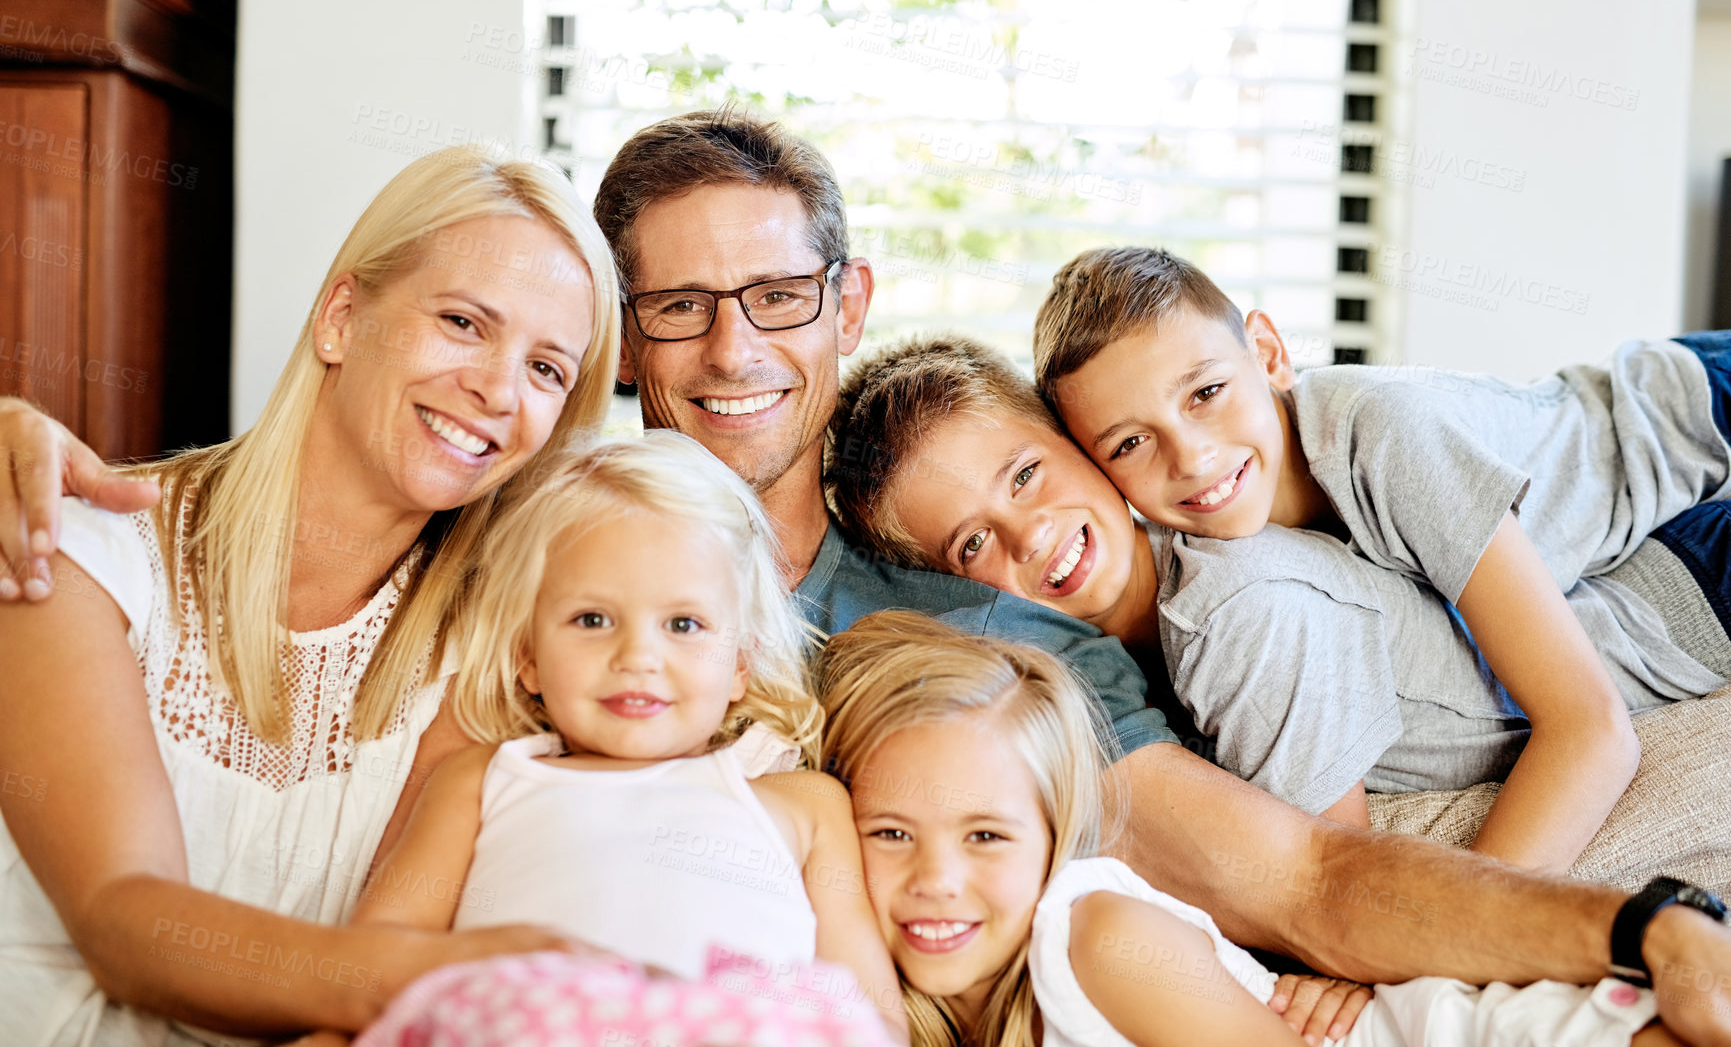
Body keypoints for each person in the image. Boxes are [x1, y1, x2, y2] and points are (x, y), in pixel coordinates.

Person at [6, 109, 1731, 1042]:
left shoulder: (962, 625)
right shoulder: (531, 546)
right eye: (673, 306)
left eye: (775, 296)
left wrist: (1632, 925)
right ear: (626, 348)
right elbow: (279, 506)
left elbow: (1310, 882)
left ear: (849, 301)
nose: (731, 346)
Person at [0, 144, 624, 1044]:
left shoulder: (482, 658)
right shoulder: (80, 553)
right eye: (461, 321)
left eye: (546, 370)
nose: (496, 389)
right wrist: (458, 979)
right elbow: (122, 921)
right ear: (340, 317)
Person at [823, 333, 1731, 844]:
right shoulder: (1110, 690)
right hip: (1652, 573)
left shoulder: (1234, 594)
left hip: (1671, 461)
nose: (1029, 534)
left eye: (1024, 474)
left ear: (1080, 440)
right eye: (973, 541)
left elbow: (1344, 869)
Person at [1030, 245, 1731, 873]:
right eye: (1128, 443)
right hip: (1665, 547)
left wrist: (1441, 945)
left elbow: (1589, 726)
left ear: (1269, 354)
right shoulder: (1217, 556)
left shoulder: (1385, 437)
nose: (1189, 456)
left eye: (1206, 393)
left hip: (1681, 415)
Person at [819, 610, 1685, 1047]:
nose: (935, 876)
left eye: (985, 837)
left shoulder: (1095, 938)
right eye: (889, 832)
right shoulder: (933, 1008)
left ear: (1055, 839)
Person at [321, 432, 903, 1043]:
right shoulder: (480, 780)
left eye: (683, 624)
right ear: (529, 656)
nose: (637, 657)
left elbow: (871, 1016)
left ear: (739, 664)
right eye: (592, 620)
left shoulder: (804, 805)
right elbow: (377, 954)